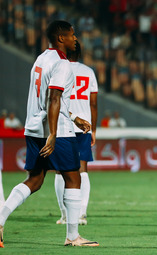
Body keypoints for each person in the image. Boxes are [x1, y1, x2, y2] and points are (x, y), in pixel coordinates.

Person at [0, 20, 99, 248]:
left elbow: (50, 97)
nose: (75, 39)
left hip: (34, 128)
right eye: (72, 35)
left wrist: (74, 117)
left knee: (34, 179)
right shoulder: (62, 64)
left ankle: (0, 219)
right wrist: (53, 134)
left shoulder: (41, 59)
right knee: (73, 177)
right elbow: (54, 98)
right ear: (61, 38)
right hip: (56, 131)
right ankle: (73, 236)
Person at [55, 40, 98, 226]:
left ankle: (65, 215)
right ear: (80, 54)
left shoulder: (58, 70)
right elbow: (93, 103)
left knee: (60, 170)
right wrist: (93, 129)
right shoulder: (88, 72)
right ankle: (82, 213)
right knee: (82, 169)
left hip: (62, 124)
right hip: (84, 125)